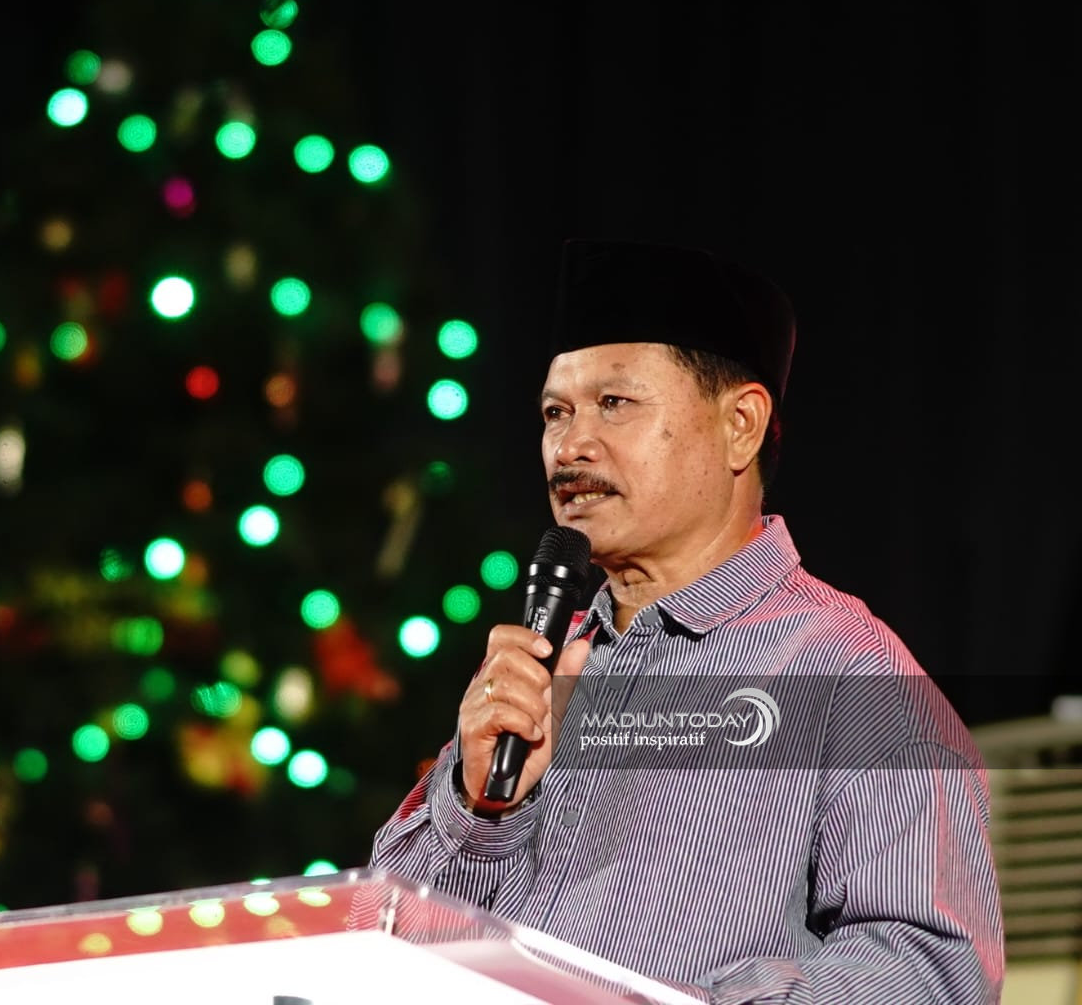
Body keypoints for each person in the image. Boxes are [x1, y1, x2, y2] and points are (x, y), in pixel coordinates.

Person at [367, 239, 1004, 1003]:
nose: (570, 446)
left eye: (615, 403)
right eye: (555, 413)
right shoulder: (542, 667)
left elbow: (931, 972)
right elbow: (381, 951)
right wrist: (479, 810)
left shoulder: (849, 675)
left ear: (741, 424)